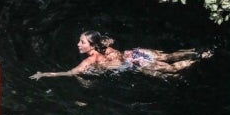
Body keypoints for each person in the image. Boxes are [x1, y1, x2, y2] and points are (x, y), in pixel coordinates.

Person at [29, 30, 213, 80]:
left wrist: (45, 74)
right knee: (169, 56)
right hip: (136, 53)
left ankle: (199, 58)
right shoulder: (104, 44)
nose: (78, 44)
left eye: (82, 42)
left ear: (92, 45)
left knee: (172, 71)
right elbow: (109, 40)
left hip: (136, 64)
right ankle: (196, 51)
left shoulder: (91, 59)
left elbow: (71, 72)